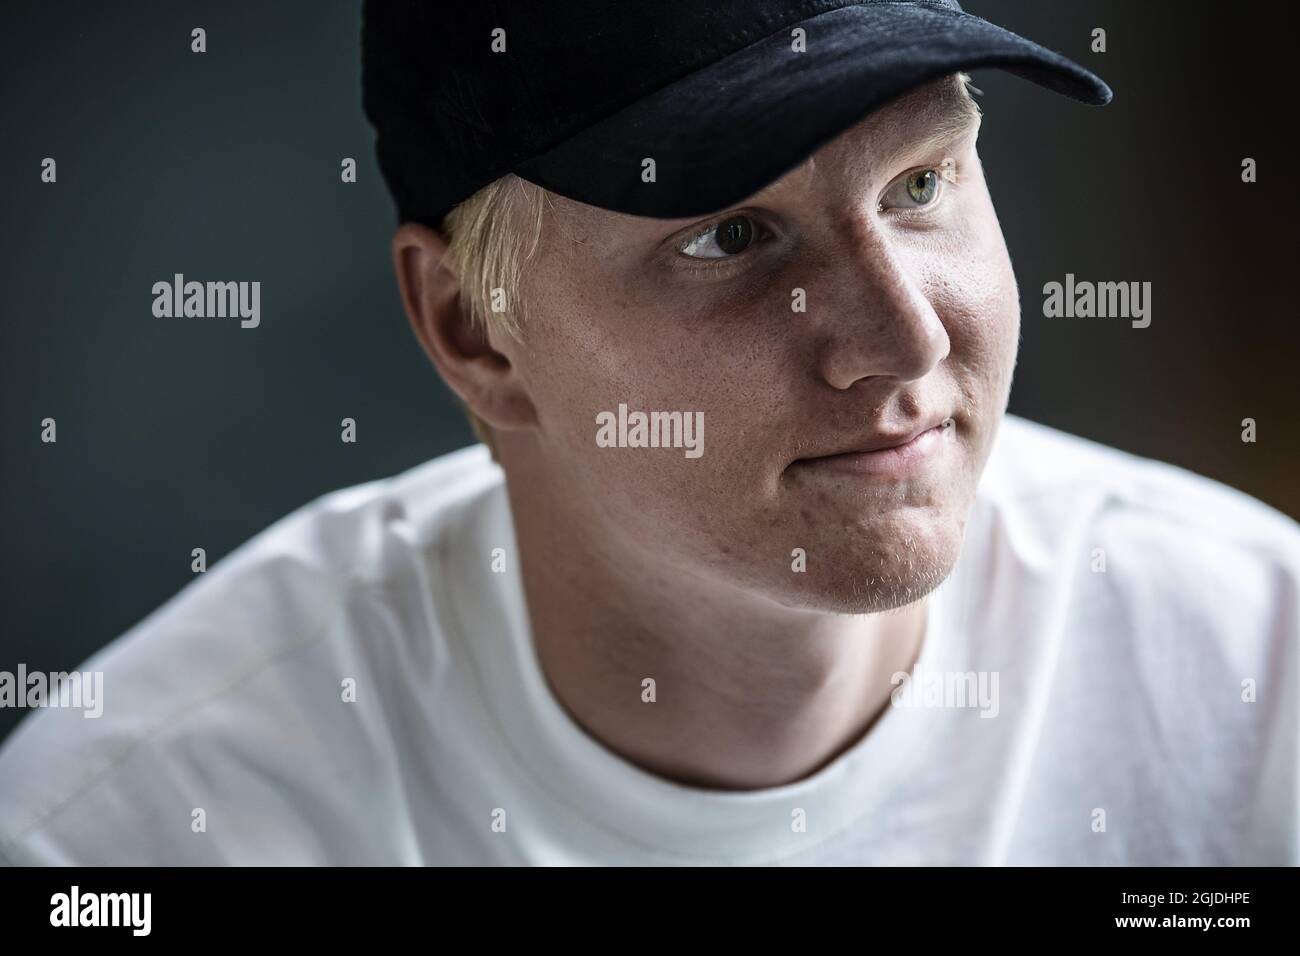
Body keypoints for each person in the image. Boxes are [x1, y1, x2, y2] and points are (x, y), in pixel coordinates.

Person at [1, 0, 1296, 866]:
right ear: (472, 330)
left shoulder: (1255, 679)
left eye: (920, 185)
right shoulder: (146, 825)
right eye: (730, 237)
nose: (904, 341)